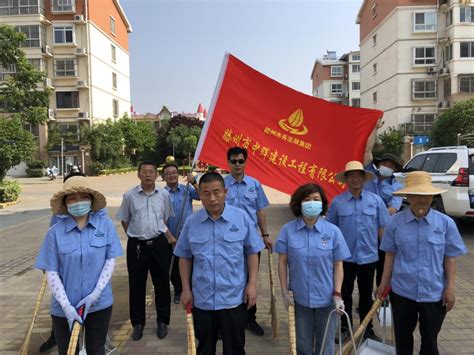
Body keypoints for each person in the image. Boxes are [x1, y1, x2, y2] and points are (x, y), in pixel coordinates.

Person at [376, 171, 467, 355]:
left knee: (430, 340)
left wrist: (450, 289)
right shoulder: (394, 223)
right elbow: (390, 256)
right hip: (402, 291)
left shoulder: (446, 224)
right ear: (408, 196)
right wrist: (383, 284)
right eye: (416, 195)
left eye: (425, 195)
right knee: (402, 339)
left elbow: (450, 258)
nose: (421, 200)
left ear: (432, 196)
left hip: (433, 293)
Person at [174, 172, 264, 355]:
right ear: (199, 194)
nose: (212, 198)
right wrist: (185, 289)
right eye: (206, 193)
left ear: (226, 192)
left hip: (233, 298)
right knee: (205, 347)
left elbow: (252, 252)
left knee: (235, 348)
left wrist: (252, 284)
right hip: (202, 299)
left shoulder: (241, 218)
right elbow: (184, 257)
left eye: (217, 192)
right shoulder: (192, 222)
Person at [34, 176, 123, 355]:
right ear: (66, 204)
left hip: (99, 304)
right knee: (67, 351)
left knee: (96, 349)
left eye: (83, 197)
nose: (78, 202)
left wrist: (95, 294)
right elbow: (50, 272)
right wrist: (67, 306)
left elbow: (110, 261)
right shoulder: (55, 233)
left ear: (91, 199)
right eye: (72, 199)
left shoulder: (105, 226)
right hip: (64, 306)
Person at [274, 183, 350, 355]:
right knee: (303, 346)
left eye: (316, 199)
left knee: (326, 346)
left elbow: (339, 264)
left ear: (322, 203)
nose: (311, 203)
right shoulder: (288, 231)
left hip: (327, 300)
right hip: (300, 300)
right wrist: (284, 292)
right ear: (298, 204)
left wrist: (337, 294)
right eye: (306, 199)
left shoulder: (333, 231)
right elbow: (282, 262)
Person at [326, 161, 389, 343]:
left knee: (366, 295)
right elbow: (331, 230)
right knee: (344, 294)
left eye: (359, 175)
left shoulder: (376, 201)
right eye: (351, 175)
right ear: (346, 179)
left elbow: (382, 229)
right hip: (344, 259)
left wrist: (385, 255)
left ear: (364, 178)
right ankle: (345, 328)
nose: (355, 179)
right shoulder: (338, 202)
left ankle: (366, 329)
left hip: (369, 257)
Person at [116, 161, 176, 341]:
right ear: (138, 174)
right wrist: (136, 235)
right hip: (137, 247)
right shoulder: (129, 196)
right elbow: (124, 220)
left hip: (159, 244)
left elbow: (164, 218)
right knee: (136, 285)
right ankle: (138, 323)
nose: (148, 174)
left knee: (162, 283)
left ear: (157, 175)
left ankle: (162, 321)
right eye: (144, 172)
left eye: (152, 171)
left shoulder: (164, 195)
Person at [223, 146, 271, 336]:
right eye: (233, 161)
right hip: (228, 240)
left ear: (246, 162)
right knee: (230, 277)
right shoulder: (222, 185)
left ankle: (250, 319)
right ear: (228, 163)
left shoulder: (254, 184)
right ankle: (229, 320)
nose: (237, 165)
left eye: (240, 161)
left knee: (251, 279)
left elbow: (260, 210)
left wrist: (265, 235)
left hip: (251, 241)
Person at [364, 153, 403, 287]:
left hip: (383, 229)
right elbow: (367, 152)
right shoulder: (368, 173)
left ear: (395, 169)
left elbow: (394, 208)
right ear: (379, 164)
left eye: (391, 165)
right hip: (364, 228)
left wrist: (373, 213)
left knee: (382, 263)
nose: (387, 166)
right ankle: (366, 301)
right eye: (385, 163)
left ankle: (380, 299)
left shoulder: (396, 186)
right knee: (366, 267)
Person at [162, 163, 200, 304]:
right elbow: (160, 217)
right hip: (170, 235)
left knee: (190, 262)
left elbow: (201, 195)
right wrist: (169, 236)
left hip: (188, 233)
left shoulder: (186, 190)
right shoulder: (162, 194)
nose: (172, 175)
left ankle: (190, 288)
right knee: (174, 263)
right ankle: (179, 290)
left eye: (174, 172)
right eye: (168, 173)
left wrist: (194, 182)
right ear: (164, 176)